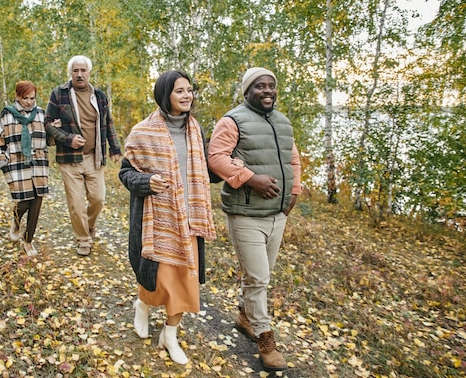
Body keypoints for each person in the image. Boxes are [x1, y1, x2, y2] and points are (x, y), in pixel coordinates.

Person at [119, 70, 216, 365]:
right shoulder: (143, 132)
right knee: (157, 279)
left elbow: (203, 172)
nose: (187, 95)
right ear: (165, 95)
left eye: (189, 90)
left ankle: (170, 335)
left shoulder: (196, 130)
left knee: (185, 284)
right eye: (179, 91)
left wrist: (233, 168)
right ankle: (143, 305)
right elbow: (126, 172)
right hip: (157, 219)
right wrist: (146, 182)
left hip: (190, 219)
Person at [208, 67, 302, 372]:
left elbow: (292, 158)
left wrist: (294, 192)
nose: (267, 91)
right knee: (259, 278)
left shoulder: (283, 122)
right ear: (247, 91)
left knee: (258, 276)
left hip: (278, 214)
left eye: (271, 86)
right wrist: (251, 179)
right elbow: (216, 157)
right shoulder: (232, 120)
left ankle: (245, 316)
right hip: (245, 213)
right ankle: (265, 340)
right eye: (260, 86)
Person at [45, 55, 122, 257]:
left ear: (89, 72)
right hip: (69, 159)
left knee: (98, 199)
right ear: (70, 73)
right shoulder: (58, 94)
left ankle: (88, 226)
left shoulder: (100, 95)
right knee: (76, 203)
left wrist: (115, 149)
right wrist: (68, 138)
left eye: (83, 70)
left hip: (94, 156)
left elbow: (109, 122)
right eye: (75, 71)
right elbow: (47, 124)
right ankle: (83, 239)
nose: (79, 74)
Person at [0, 81, 50, 257]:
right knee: (24, 202)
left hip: (38, 163)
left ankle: (28, 240)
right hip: (17, 163)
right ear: (17, 97)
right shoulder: (8, 115)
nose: (30, 102)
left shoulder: (40, 114)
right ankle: (16, 222)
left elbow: (48, 138)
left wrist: (56, 130)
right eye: (26, 98)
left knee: (37, 202)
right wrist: (3, 163)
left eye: (33, 98)